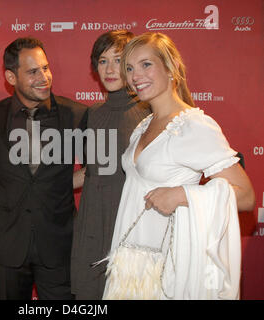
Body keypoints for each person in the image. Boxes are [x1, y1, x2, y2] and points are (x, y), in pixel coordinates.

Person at [103, 32, 255, 300]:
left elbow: (245, 195)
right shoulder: (143, 126)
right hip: (130, 264)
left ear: (170, 67)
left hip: (167, 271)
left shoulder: (194, 125)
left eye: (146, 64)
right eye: (130, 68)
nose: (136, 75)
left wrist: (182, 195)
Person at [0, 37, 88, 300]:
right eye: (32, 71)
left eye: (46, 68)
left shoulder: (75, 114)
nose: (44, 77)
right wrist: (9, 180)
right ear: (11, 76)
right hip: (8, 246)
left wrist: (59, 183)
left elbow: (93, 172)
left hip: (59, 243)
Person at [70, 30, 151, 300]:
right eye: (102, 61)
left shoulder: (150, 112)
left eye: (118, 60)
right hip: (93, 220)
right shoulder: (93, 114)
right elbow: (92, 171)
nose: (110, 69)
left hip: (130, 220)